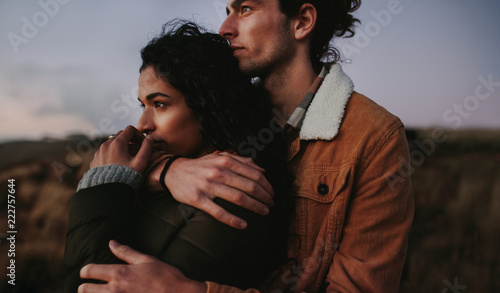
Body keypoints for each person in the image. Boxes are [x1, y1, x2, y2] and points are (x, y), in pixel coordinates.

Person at [78, 0, 414, 292]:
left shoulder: (374, 138)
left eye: (245, 9)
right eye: (226, 11)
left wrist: (194, 292)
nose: (224, 27)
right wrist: (169, 171)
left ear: (302, 22)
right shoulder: (220, 113)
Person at [65, 22, 294, 292]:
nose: (142, 124)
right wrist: (158, 172)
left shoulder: (231, 191)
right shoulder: (159, 178)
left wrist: (103, 188)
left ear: (208, 105)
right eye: (143, 105)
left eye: (160, 104)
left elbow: (89, 284)